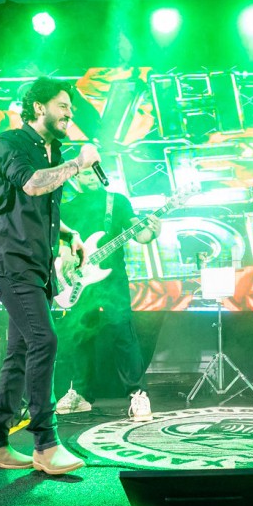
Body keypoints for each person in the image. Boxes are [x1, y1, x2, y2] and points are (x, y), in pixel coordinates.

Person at [0, 77, 101, 474]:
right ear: (38, 107)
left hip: (38, 263)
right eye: (63, 105)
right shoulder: (10, 143)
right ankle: (46, 444)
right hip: (11, 259)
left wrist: (69, 234)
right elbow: (31, 185)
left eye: (71, 108)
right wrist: (78, 164)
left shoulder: (54, 151)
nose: (70, 113)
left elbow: (38, 207)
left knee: (20, 353)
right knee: (43, 340)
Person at [52, 166, 160, 420]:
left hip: (113, 279)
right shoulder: (68, 207)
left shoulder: (117, 201)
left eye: (94, 172)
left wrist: (154, 231)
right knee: (80, 336)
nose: (91, 177)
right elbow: (59, 241)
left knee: (123, 334)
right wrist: (65, 253)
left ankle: (137, 394)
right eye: (85, 173)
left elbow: (140, 234)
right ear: (75, 177)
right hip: (79, 281)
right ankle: (80, 394)